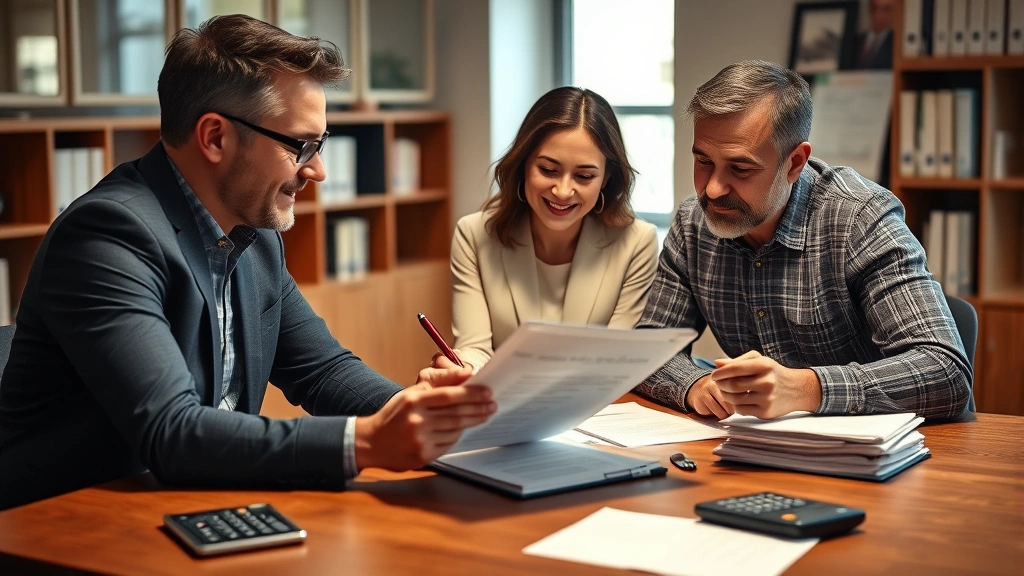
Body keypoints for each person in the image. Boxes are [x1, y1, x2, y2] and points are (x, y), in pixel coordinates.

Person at [0, 15, 495, 511]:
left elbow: (323, 371)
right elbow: (172, 431)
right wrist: (364, 441)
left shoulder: (253, 236)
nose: (318, 170)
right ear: (215, 137)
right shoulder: (108, 236)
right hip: (65, 527)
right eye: (301, 146)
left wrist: (421, 417)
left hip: (187, 507)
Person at [634, 60, 971, 421]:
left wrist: (807, 389)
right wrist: (697, 386)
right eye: (703, 162)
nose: (713, 189)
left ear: (795, 162)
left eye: (741, 168)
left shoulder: (859, 218)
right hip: (755, 454)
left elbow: (946, 372)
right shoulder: (693, 225)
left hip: (877, 455)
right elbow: (647, 349)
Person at [439, 87, 658, 370]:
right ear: (523, 165)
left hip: (595, 405)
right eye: (548, 170)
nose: (563, 191)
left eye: (584, 176)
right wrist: (464, 370)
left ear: (606, 178)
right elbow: (473, 347)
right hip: (503, 403)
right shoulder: (473, 235)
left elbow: (616, 361)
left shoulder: (637, 242)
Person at [855, 0, 895, 69]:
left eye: (886, 9)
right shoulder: (855, 41)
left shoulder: (896, 43)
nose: (879, 15)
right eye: (874, 8)